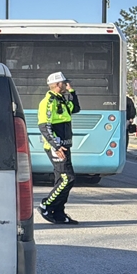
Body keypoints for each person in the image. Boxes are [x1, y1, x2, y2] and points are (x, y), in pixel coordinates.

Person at [37, 71, 82, 225]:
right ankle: (46, 205)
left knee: (61, 179)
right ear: (57, 84)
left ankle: (59, 212)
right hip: (56, 146)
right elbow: (44, 126)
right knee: (68, 178)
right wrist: (55, 146)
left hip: (64, 145)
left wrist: (72, 92)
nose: (66, 84)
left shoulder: (61, 99)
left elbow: (75, 109)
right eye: (64, 83)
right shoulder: (48, 101)